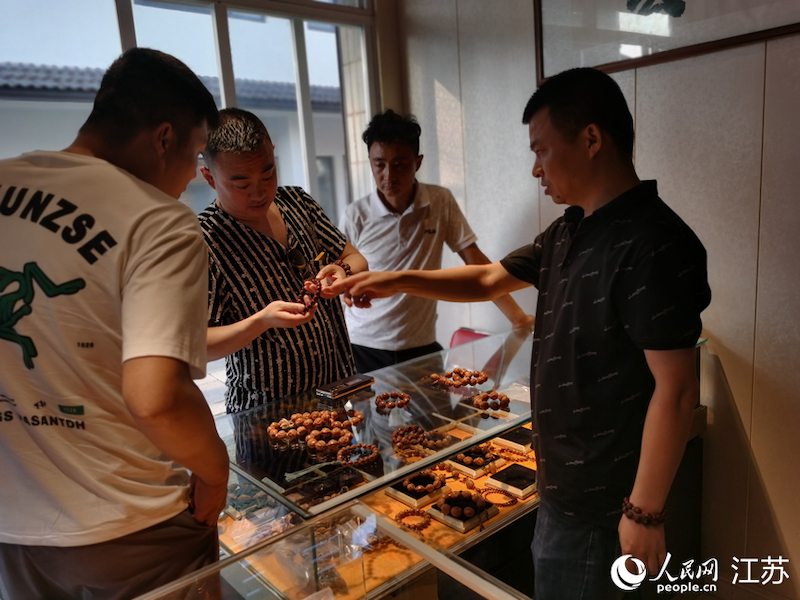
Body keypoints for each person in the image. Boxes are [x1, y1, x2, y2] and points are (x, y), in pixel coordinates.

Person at [330, 68, 711, 599]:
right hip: (558, 488)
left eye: (542, 150)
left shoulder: (653, 242)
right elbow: (486, 277)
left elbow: (677, 389)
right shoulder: (568, 229)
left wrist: (643, 513)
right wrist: (389, 278)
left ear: (592, 139)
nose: (535, 169)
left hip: (606, 503)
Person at [0, 48, 230, 599]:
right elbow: (156, 398)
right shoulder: (156, 219)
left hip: (13, 525)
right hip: (132, 524)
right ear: (164, 138)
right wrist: (215, 473)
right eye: (196, 153)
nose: (188, 181)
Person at [339, 109, 535, 372]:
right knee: (366, 414)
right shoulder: (355, 214)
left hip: (420, 346)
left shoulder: (440, 201)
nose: (388, 175)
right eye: (379, 164)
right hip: (364, 346)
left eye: (399, 164)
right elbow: (341, 272)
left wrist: (516, 316)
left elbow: (477, 264)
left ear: (417, 162)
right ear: (370, 162)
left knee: (442, 413)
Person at [199, 108, 366, 413]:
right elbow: (199, 344)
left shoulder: (297, 201)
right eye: (241, 184)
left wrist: (342, 273)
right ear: (209, 177)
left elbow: (355, 258)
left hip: (336, 392)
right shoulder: (204, 240)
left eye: (268, 173)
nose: (260, 192)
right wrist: (261, 321)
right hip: (265, 414)